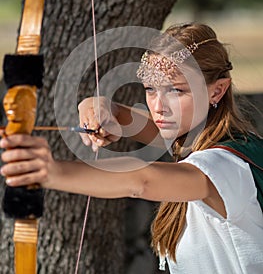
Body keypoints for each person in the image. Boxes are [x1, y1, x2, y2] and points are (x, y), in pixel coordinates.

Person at [1, 23, 263, 273]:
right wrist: (106, 109)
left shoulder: (226, 166)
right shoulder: (220, 139)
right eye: (150, 89)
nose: (159, 106)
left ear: (217, 92)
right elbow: (148, 127)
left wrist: (52, 173)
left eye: (176, 91)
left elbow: (142, 181)